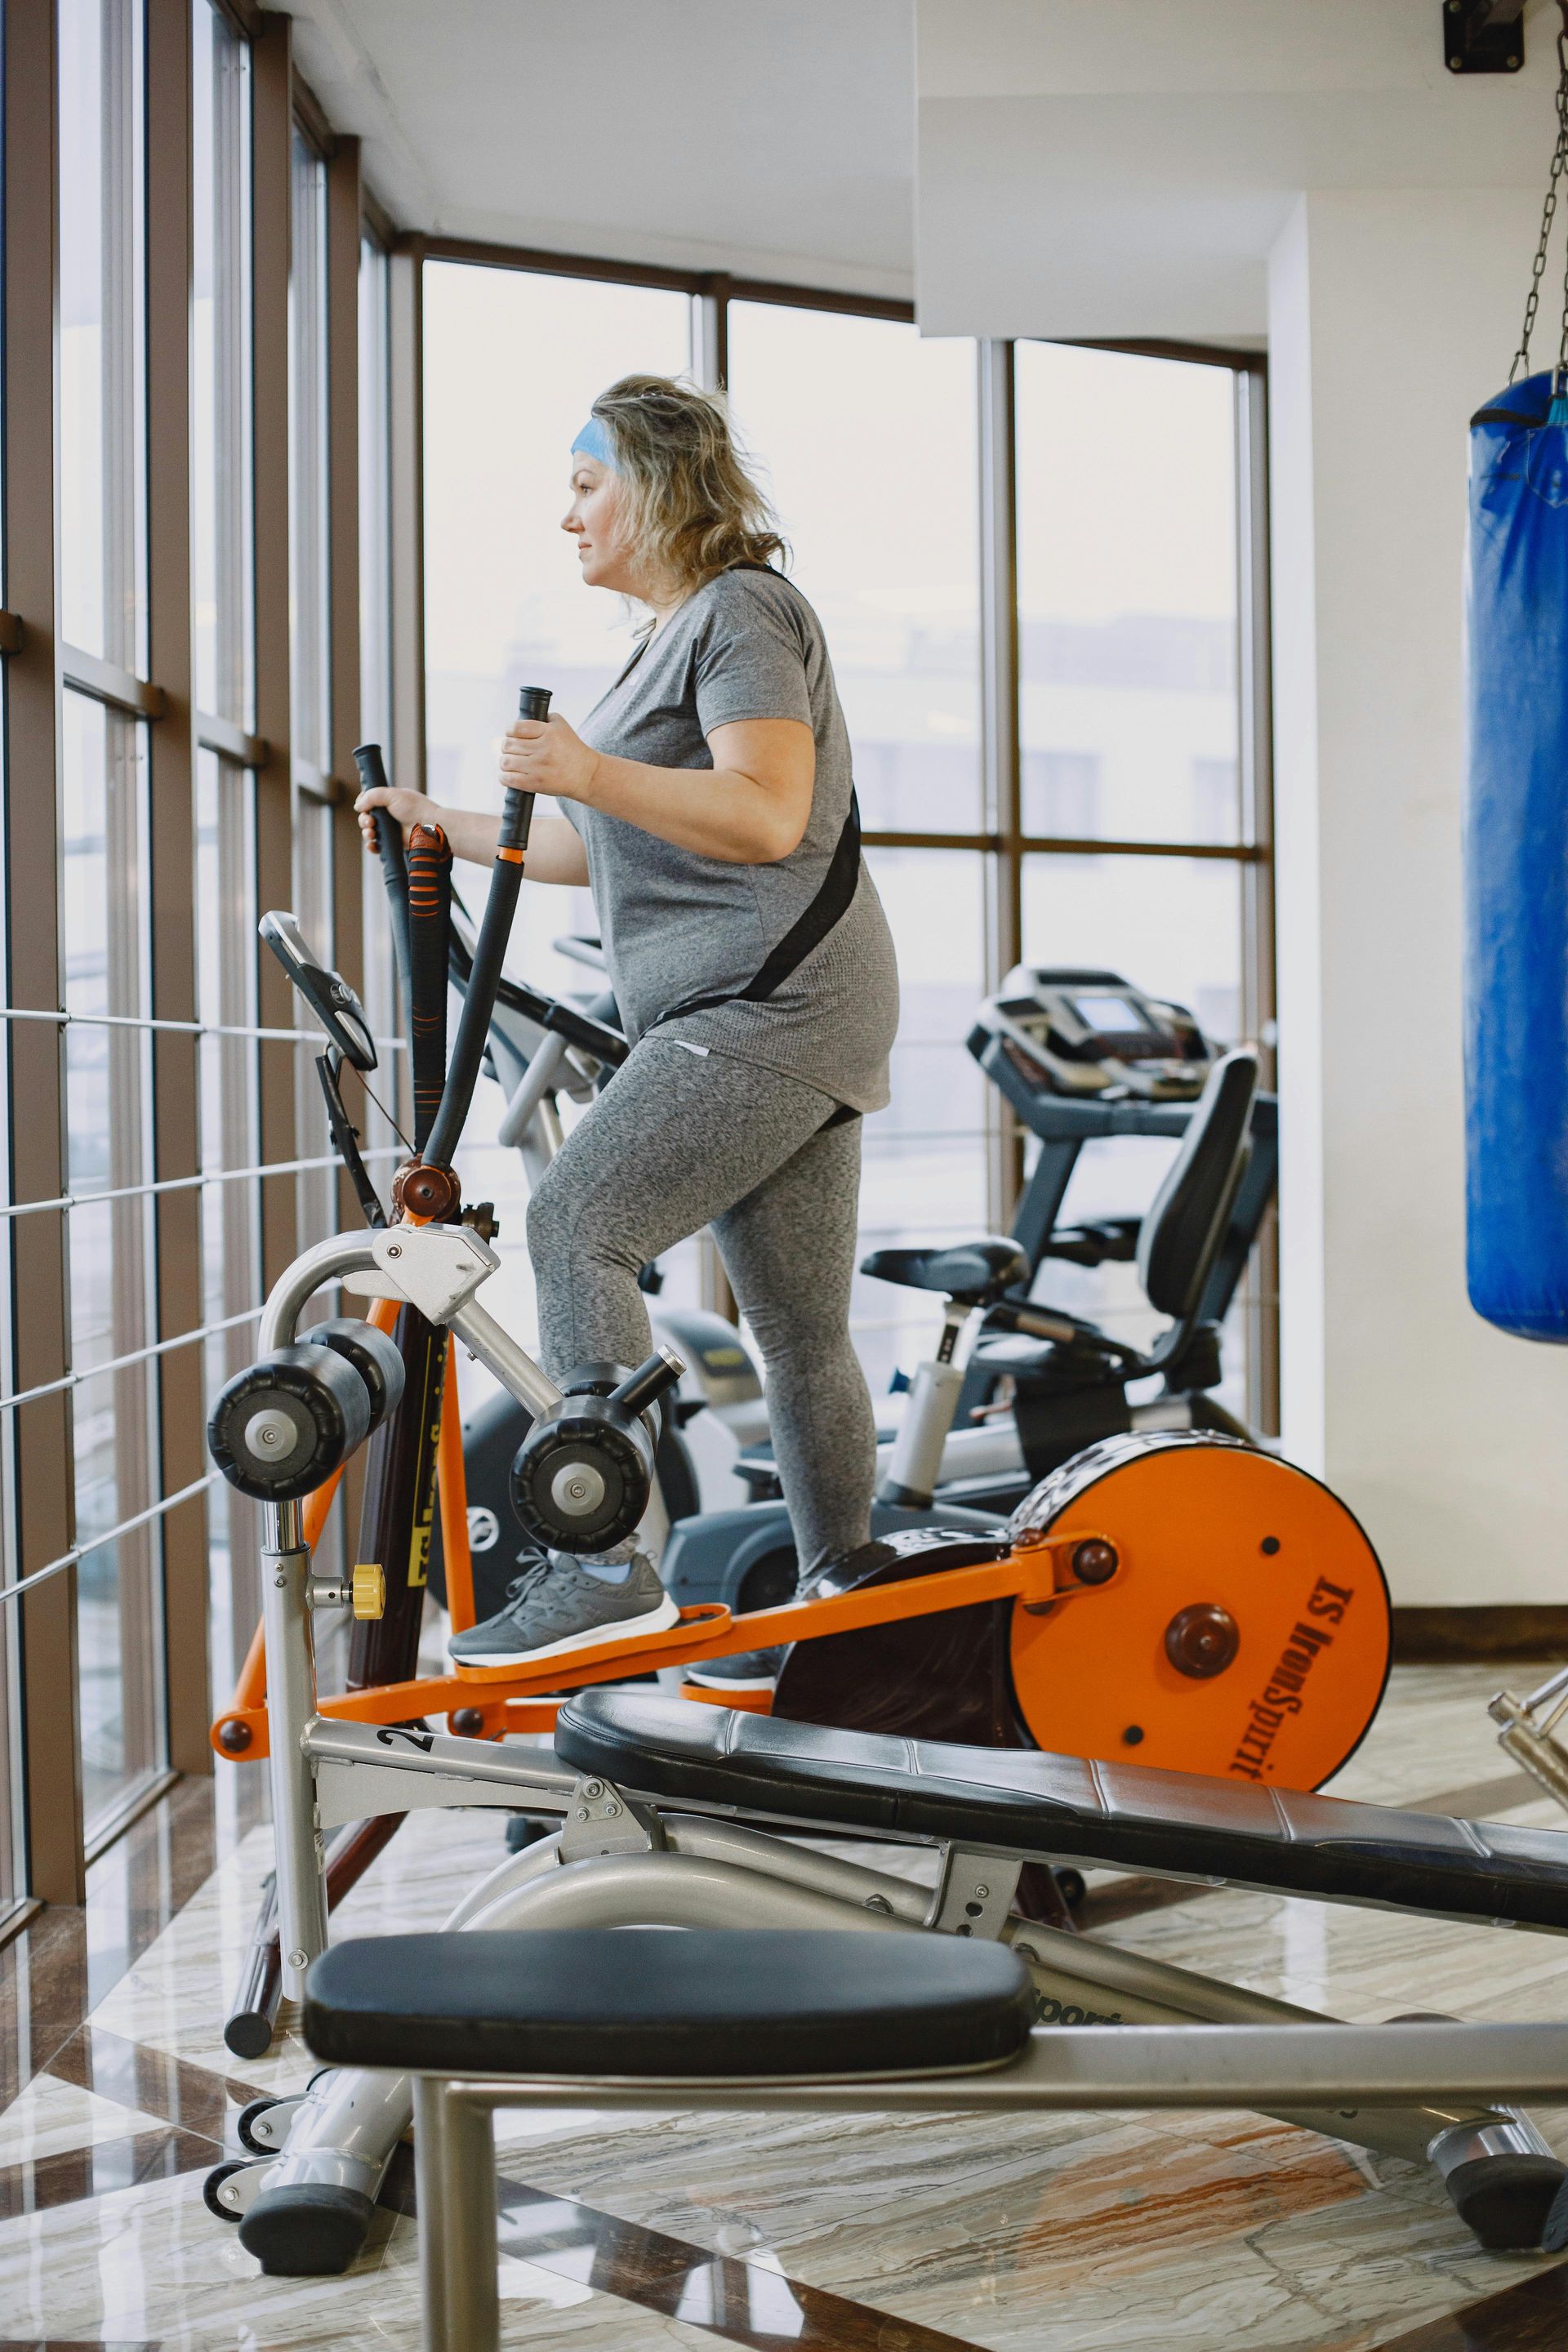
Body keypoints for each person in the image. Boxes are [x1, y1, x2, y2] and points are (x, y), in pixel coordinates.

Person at [355, 374, 899, 1673]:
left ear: (655, 485)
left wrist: (584, 770)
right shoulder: (670, 639)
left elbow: (766, 812)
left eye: (586, 483)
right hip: (793, 1005)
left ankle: (602, 1558)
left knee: (575, 1221)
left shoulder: (744, 610)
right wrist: (448, 823)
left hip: (764, 1001)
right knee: (797, 1329)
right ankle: (851, 1589)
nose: (570, 517)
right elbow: (591, 846)